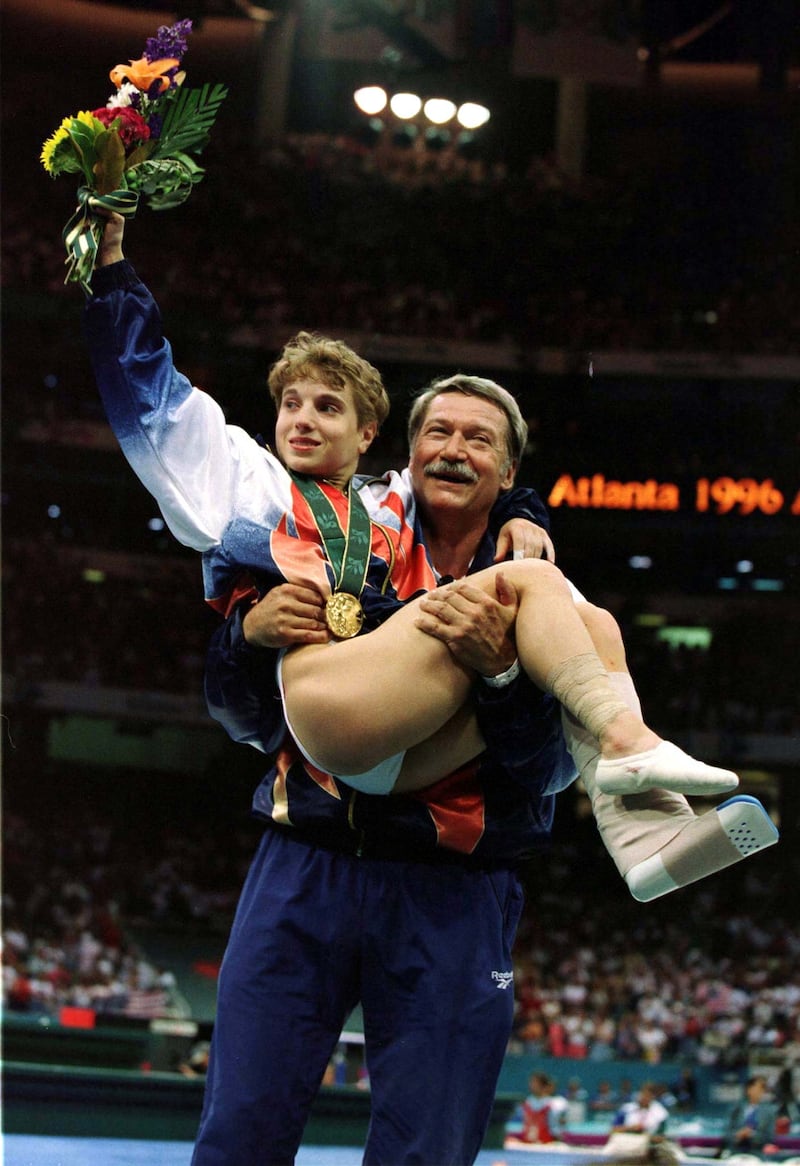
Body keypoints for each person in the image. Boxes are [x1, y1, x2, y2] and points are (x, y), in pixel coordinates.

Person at [719, 1075, 777, 1158]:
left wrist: (752, 1134)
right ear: (749, 1089)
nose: (761, 1091)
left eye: (763, 1088)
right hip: (735, 1154)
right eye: (759, 1088)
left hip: (757, 1155)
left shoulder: (769, 1113)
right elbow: (726, 1133)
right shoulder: (735, 1109)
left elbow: (770, 1137)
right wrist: (738, 1135)